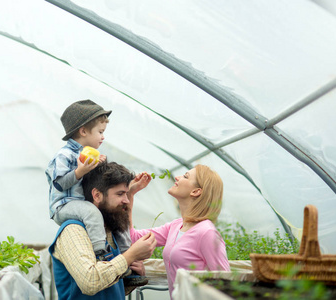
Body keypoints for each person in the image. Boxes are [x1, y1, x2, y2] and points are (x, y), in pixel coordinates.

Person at [45, 99, 145, 286]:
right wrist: (80, 171)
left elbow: (94, 182)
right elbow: (59, 184)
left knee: (117, 222)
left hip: (80, 204)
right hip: (64, 205)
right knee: (92, 212)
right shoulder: (64, 155)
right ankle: (101, 253)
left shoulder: (87, 153)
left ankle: (128, 258)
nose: (103, 137)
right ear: (83, 131)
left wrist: (98, 165)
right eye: (100, 132)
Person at [49, 162, 157, 299]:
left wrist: (134, 274)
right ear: (97, 195)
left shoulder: (110, 232)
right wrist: (129, 256)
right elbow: (90, 282)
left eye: (127, 194)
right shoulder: (73, 231)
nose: (126, 201)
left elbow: (109, 290)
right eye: (120, 194)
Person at [128, 164, 230, 298]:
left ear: (196, 191)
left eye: (185, 176)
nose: (177, 177)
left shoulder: (207, 233)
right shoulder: (176, 226)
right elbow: (132, 237)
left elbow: (226, 281)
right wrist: (130, 194)